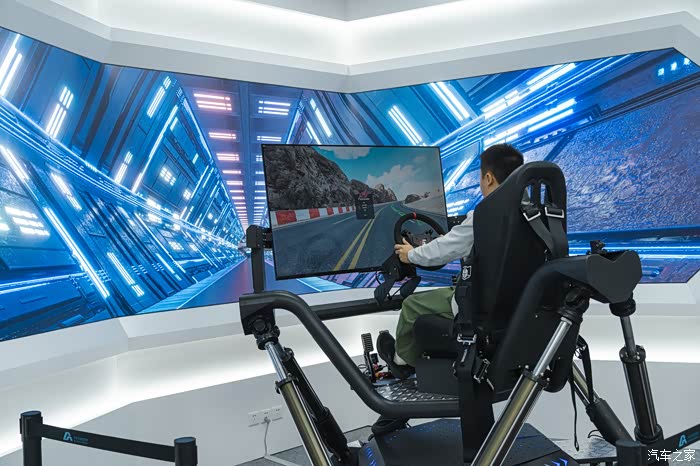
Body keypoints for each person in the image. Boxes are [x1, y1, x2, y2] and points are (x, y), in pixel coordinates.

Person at [377, 143, 525, 379]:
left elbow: (444, 249)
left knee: (411, 305)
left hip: (479, 305)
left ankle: (401, 362)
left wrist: (410, 254)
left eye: (480, 177)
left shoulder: (485, 215)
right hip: (518, 306)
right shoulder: (533, 214)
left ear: (488, 178)